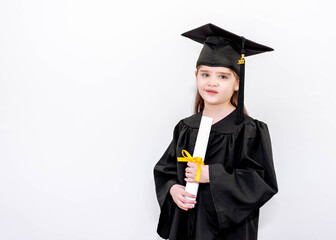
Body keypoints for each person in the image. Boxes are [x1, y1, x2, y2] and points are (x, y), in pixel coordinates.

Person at [153, 23, 278, 240]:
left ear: (237, 83)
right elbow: (166, 170)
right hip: (186, 226)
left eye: (223, 76)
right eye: (205, 74)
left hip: (228, 233)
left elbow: (261, 182)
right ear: (196, 76)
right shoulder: (186, 127)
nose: (212, 82)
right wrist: (173, 189)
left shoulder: (249, 130)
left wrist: (212, 175)